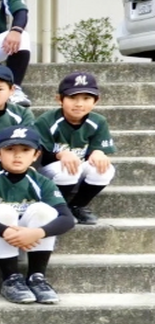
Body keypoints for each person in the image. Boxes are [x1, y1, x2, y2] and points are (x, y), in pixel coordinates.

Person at [0, 125, 76, 304]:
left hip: (26, 245)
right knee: (3, 211)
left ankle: (37, 277)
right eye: (10, 149)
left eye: (25, 150)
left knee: (44, 210)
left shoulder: (42, 182)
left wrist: (37, 233)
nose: (17, 155)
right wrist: (6, 231)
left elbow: (67, 219)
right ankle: (10, 278)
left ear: (36, 155)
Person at [34, 72, 116, 225]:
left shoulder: (98, 121)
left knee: (105, 169)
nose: (79, 104)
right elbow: (37, 154)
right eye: (72, 98)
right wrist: (60, 154)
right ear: (59, 99)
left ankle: (78, 205)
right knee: (67, 168)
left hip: (75, 172)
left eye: (86, 98)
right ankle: (58, 207)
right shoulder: (47, 120)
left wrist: (98, 152)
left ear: (96, 101)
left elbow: (97, 149)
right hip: (48, 173)